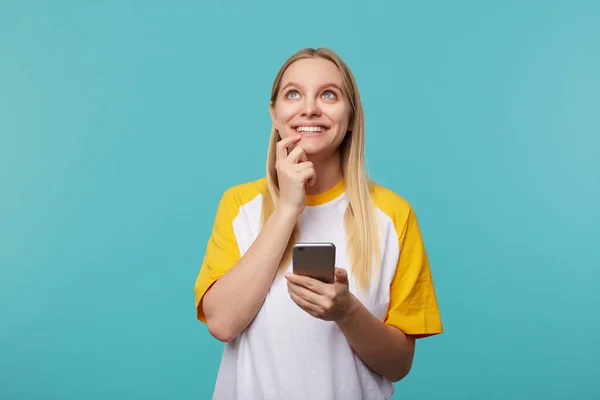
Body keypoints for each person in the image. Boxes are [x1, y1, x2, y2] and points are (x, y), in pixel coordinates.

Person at [193, 47, 443, 400]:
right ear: (274, 114)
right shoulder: (239, 206)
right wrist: (287, 209)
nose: (309, 108)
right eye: (293, 93)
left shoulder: (393, 215)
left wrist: (346, 311)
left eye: (328, 94)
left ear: (352, 115)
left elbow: (399, 365)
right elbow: (222, 323)